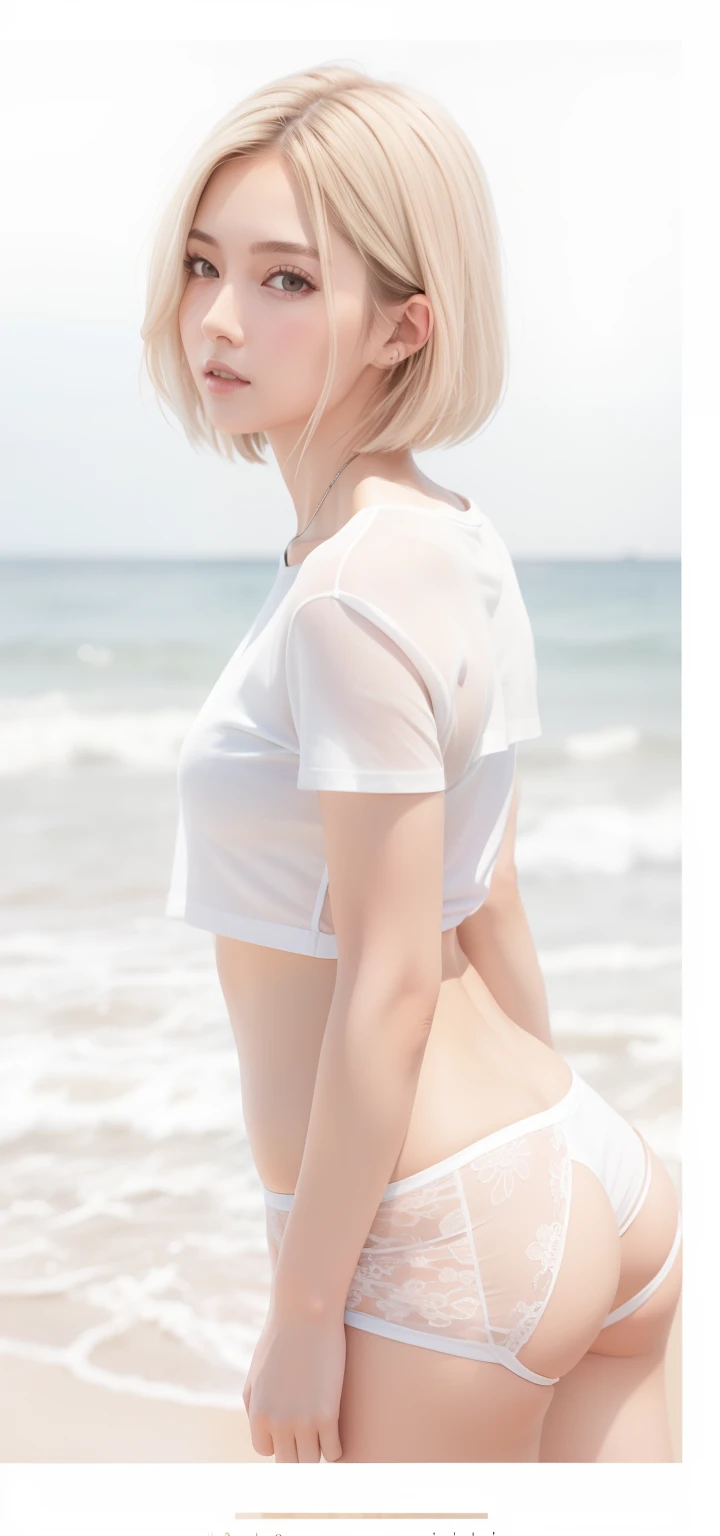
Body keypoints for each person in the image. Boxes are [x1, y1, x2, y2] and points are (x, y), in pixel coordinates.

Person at [142, 62, 681, 1462]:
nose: (217, 317)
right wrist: (563, 1188)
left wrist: (308, 1307)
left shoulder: (346, 590)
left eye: (287, 281)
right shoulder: (455, 536)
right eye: (207, 264)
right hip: (567, 1166)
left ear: (406, 324)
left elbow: (389, 975)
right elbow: (485, 893)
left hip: (436, 1230)